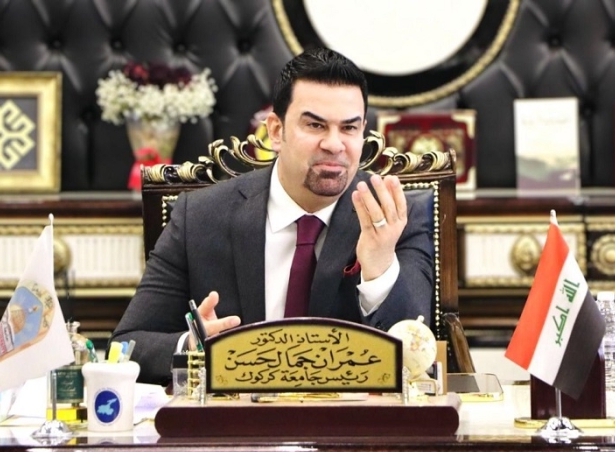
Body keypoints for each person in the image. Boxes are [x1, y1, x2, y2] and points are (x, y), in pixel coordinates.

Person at [111, 48, 434, 385]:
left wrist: (380, 267)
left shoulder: (395, 216)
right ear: (276, 131)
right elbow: (127, 346)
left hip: (353, 414)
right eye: (315, 125)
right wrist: (195, 347)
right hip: (237, 415)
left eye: (349, 128)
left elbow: (416, 359)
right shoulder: (200, 216)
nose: (334, 144)